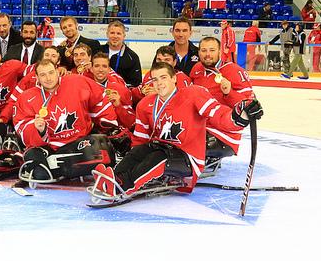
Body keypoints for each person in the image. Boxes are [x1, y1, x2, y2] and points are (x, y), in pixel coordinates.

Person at [91, 62, 263, 202]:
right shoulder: (146, 104)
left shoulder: (194, 94)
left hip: (188, 157)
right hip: (162, 147)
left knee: (157, 158)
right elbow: (140, 140)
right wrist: (133, 157)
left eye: (163, 78)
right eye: (155, 79)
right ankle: (114, 176)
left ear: (174, 79)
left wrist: (238, 116)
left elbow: (218, 115)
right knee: (140, 151)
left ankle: (124, 185)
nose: (159, 83)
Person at [12, 60, 118, 184]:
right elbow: (21, 126)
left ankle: (56, 168)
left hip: (78, 142)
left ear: (57, 72)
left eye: (51, 73)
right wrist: (38, 130)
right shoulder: (27, 97)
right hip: (49, 147)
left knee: (101, 150)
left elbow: (99, 99)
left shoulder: (77, 82)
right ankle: (56, 168)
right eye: (43, 75)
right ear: (37, 78)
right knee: (40, 172)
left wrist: (108, 124)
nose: (48, 78)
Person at [88, 52, 134, 130]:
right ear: (91, 69)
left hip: (115, 135)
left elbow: (131, 123)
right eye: (96, 66)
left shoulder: (121, 90)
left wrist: (118, 105)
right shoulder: (86, 89)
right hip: (92, 134)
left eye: (104, 66)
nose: (100, 70)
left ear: (109, 70)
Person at [100, 20, 142, 88]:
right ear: (107, 34)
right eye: (112, 33)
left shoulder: (132, 57)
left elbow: (136, 84)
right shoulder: (98, 50)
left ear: (124, 36)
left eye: (118, 33)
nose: (115, 36)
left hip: (120, 94)